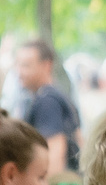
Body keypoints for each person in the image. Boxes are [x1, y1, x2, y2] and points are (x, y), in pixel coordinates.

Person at [11, 40, 81, 177]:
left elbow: (55, 153)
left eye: (26, 66)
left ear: (46, 65)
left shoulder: (47, 102)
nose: (19, 72)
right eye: (17, 65)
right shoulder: (54, 95)